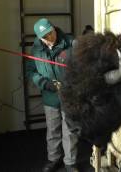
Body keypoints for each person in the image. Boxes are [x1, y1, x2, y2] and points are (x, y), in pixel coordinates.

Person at [26, 18, 79, 172]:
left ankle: (70, 162)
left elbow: (82, 67)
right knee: (52, 129)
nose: (49, 37)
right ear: (39, 38)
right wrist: (45, 83)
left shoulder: (71, 44)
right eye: (45, 36)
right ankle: (54, 159)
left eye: (50, 33)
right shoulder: (36, 50)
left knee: (70, 130)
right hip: (50, 97)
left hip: (69, 95)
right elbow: (31, 72)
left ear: (54, 29)